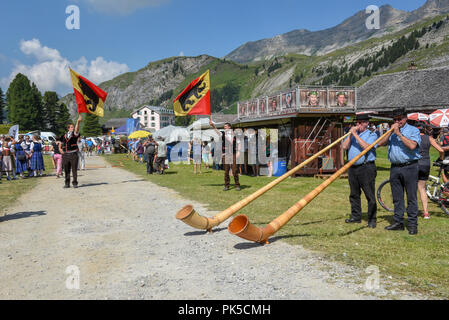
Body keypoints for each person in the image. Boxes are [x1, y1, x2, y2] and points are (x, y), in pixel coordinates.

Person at [378, 108, 421, 235]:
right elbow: (380, 143)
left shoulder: (413, 130)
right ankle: (398, 222)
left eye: (399, 119)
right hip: (395, 167)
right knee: (397, 197)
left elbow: (413, 146)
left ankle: (413, 224)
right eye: (395, 119)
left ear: (405, 118)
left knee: (411, 197)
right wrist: (390, 133)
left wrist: (399, 134)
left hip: (410, 166)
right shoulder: (392, 132)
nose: (397, 122)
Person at [342, 114, 379, 228]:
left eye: (359, 122)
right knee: (354, 194)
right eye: (356, 122)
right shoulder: (352, 134)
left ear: (366, 123)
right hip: (353, 167)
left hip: (366, 167)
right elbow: (344, 147)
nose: (357, 125)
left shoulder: (372, 134)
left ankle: (372, 219)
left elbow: (367, 147)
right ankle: (356, 216)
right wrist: (350, 135)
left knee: (369, 195)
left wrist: (355, 135)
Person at [416, 122, 444, 219]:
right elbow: (441, 150)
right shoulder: (429, 138)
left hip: (414, 164)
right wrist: (441, 159)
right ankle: (426, 213)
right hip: (425, 164)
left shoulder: (412, 138)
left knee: (411, 188)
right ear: (424, 129)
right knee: (422, 188)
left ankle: (412, 210)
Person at [209, 118, 241, 191]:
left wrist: (239, 151)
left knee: (235, 170)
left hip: (233, 154)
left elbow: (239, 143)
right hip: (225, 154)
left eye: (225, 127)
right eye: (224, 127)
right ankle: (226, 185)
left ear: (229, 127)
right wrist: (213, 125)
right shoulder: (223, 134)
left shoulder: (235, 134)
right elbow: (217, 131)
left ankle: (237, 185)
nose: (224, 128)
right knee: (226, 171)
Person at [60, 114, 83, 188]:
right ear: (68, 128)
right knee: (66, 170)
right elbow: (61, 143)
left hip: (73, 154)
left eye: (73, 127)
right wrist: (60, 149)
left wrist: (78, 122)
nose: (73, 128)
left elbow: (77, 130)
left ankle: (75, 183)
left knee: (74, 170)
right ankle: (67, 183)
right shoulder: (64, 135)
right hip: (65, 155)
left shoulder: (75, 134)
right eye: (71, 127)